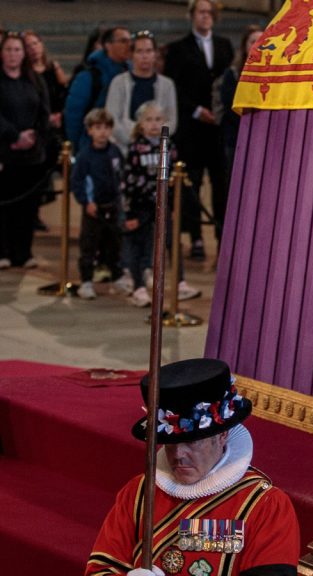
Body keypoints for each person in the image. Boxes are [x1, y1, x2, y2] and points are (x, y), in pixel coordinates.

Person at [84, 358, 301, 576]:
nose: (178, 455)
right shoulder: (138, 493)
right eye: (170, 443)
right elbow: (99, 570)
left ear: (222, 435)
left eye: (191, 442)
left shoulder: (266, 506)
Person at [163, 0, 234, 261]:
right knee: (191, 183)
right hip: (192, 127)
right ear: (192, 15)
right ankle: (195, 237)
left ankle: (221, 235)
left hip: (217, 128)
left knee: (220, 184)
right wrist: (196, 110)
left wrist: (219, 111)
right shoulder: (178, 49)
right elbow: (174, 87)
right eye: (201, 12)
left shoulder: (224, 45)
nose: (206, 16)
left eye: (209, 12)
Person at [122, 101, 201, 307]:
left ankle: (180, 282)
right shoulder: (135, 148)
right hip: (141, 206)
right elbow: (127, 181)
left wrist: (174, 206)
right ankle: (138, 287)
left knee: (172, 242)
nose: (154, 124)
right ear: (140, 124)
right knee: (140, 245)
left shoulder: (169, 147)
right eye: (149, 120)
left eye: (158, 119)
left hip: (164, 205)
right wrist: (129, 213)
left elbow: (175, 180)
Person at [0, 31, 50, 270]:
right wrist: (14, 136)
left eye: (17, 50)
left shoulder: (34, 80)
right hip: (5, 152)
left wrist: (33, 136)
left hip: (31, 155)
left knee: (27, 207)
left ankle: (24, 252)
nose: (13, 54)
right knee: (5, 206)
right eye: (8, 49)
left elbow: (44, 111)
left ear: (23, 54)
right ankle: (3, 251)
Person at [70, 108, 124, 300]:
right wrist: (86, 201)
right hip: (93, 208)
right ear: (90, 130)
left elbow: (121, 175)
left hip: (113, 206)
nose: (102, 132)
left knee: (114, 243)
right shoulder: (85, 156)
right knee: (89, 245)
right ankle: (86, 281)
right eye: (98, 128)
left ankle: (116, 276)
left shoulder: (115, 152)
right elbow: (77, 181)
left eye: (106, 128)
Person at [23, 29, 69, 231]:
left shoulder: (53, 68)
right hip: (37, 128)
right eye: (28, 45)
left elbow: (64, 93)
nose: (33, 48)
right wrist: (45, 118)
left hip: (56, 129)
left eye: (35, 43)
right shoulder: (24, 74)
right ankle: (32, 215)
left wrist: (60, 115)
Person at [106, 30, 177, 156]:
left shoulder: (167, 84)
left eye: (149, 51)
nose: (145, 56)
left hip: (157, 151)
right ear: (131, 55)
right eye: (139, 51)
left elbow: (172, 121)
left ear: (155, 54)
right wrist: (135, 141)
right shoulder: (118, 82)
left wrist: (153, 139)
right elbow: (112, 119)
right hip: (124, 150)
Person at [64, 26, 131, 153]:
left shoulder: (132, 73)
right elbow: (74, 115)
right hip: (94, 147)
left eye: (130, 40)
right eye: (123, 41)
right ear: (108, 45)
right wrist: (78, 147)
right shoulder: (89, 76)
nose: (129, 45)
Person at [214, 24, 262, 188]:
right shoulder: (232, 73)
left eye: (262, 42)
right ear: (244, 46)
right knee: (235, 183)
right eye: (253, 41)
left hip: (263, 138)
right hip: (236, 137)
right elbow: (230, 105)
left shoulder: (275, 73)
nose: (258, 46)